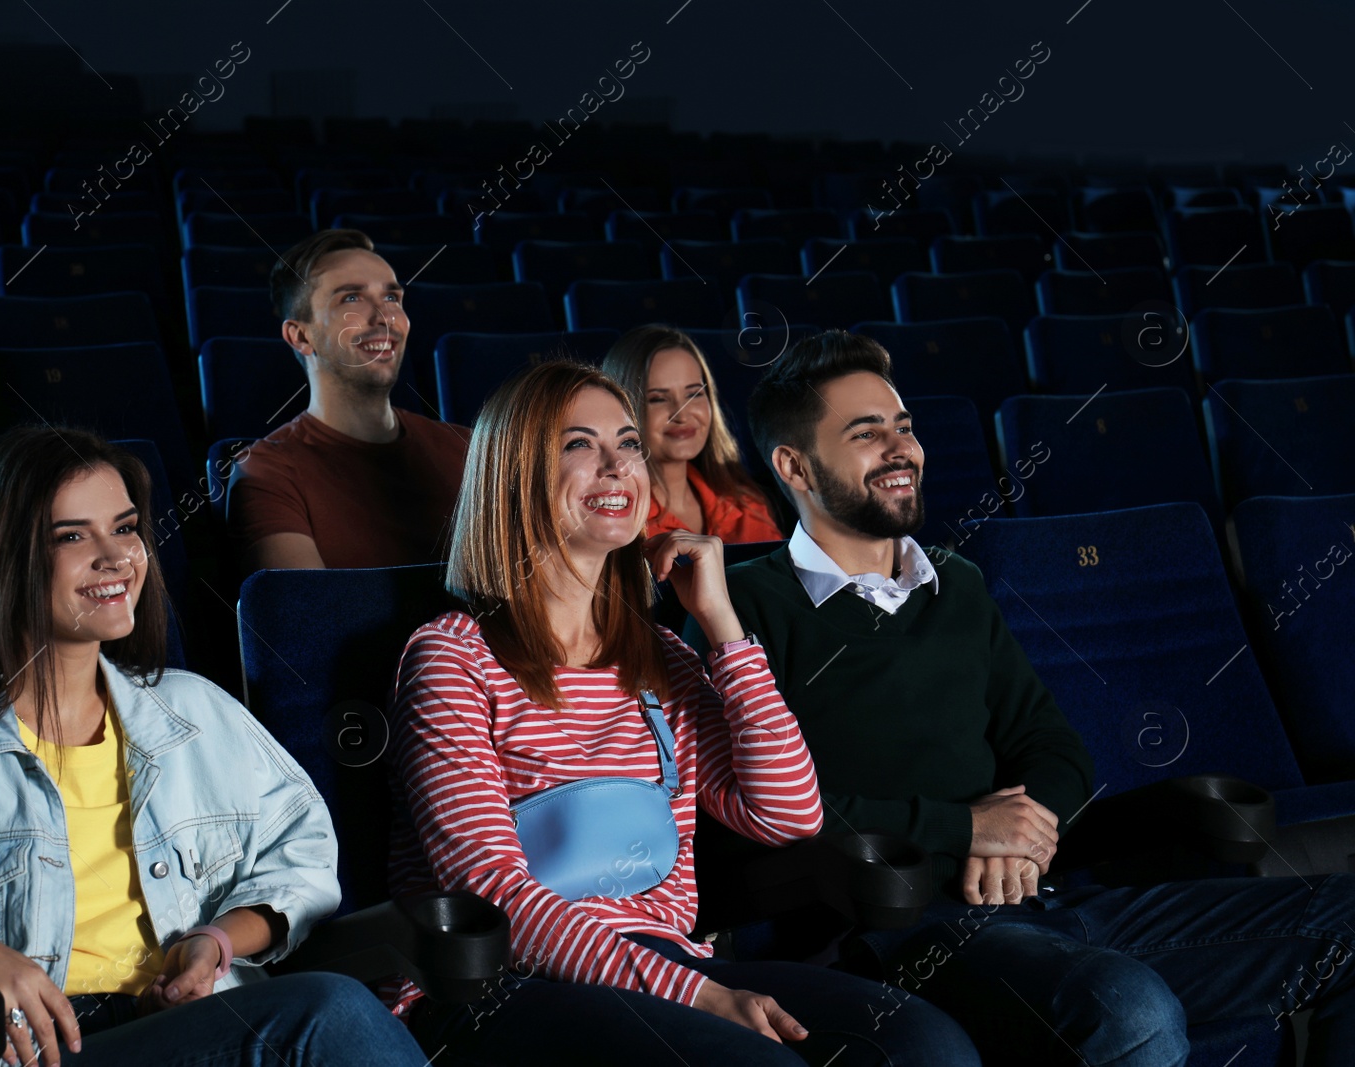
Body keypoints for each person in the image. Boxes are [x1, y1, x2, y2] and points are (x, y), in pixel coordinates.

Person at [688, 329, 1355, 1065]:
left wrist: (1022, 835)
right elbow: (758, 808)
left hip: (1040, 900)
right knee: (1130, 1008)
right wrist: (963, 829)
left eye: (904, 427)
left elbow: (1055, 747)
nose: (900, 448)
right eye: (866, 433)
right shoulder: (742, 604)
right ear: (794, 465)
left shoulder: (956, 583)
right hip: (899, 927)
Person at [0, 426, 428, 1067]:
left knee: (332, 1011)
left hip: (195, 1025)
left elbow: (304, 860)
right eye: (73, 535)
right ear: (2, 557)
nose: (118, 557)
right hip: (36, 1048)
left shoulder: (196, 710)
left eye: (127, 527)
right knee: (330, 1011)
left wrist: (214, 941)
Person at [384, 359, 978, 1066]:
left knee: (925, 1046)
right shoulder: (452, 658)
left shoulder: (661, 656)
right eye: (579, 445)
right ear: (514, 477)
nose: (617, 466)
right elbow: (495, 898)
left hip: (667, 960)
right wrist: (697, 997)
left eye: (628, 443)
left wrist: (722, 625)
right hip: (502, 985)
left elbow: (789, 814)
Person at [228, 228, 470, 572]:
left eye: (392, 298)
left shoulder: (470, 448)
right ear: (300, 336)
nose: (385, 318)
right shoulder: (266, 472)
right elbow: (309, 617)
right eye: (351, 298)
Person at [601, 325, 785, 544]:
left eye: (694, 394)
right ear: (624, 410)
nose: (682, 413)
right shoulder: (612, 517)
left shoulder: (745, 504)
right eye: (658, 399)